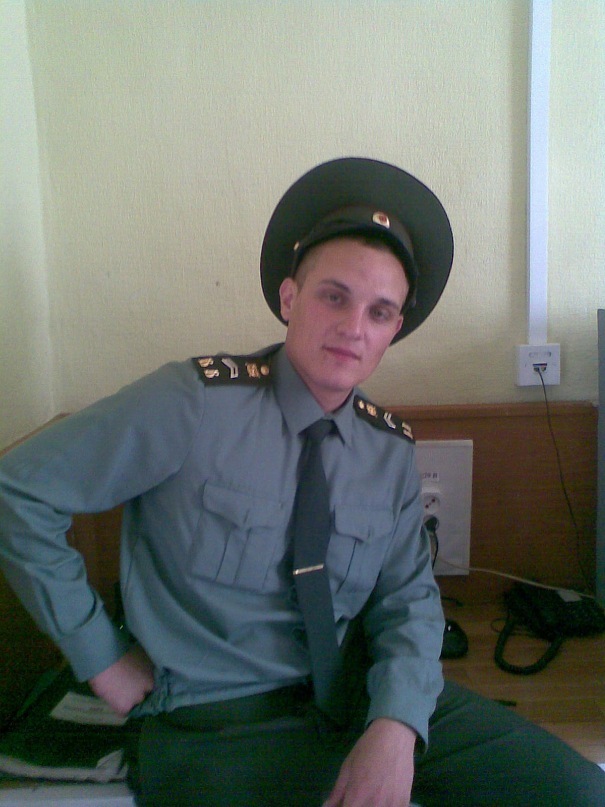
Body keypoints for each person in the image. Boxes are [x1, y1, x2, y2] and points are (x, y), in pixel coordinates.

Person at [0, 158, 603, 806]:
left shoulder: (386, 448)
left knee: (575, 791)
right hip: (214, 722)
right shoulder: (191, 404)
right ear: (290, 297)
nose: (353, 327)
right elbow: (19, 488)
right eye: (333, 296)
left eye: (379, 311)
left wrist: (396, 725)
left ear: (393, 330)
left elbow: (407, 600)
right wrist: (99, 655)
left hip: (356, 696)